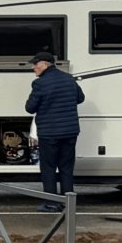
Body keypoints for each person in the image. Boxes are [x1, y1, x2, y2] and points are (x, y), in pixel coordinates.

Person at [25, 48, 84, 211]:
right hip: (70, 131)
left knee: (49, 168)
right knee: (66, 167)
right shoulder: (68, 78)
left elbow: (30, 108)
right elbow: (80, 98)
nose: (33, 68)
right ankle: (68, 202)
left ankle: (51, 203)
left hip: (50, 133)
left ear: (45, 64)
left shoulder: (40, 83)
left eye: (35, 64)